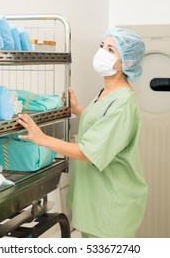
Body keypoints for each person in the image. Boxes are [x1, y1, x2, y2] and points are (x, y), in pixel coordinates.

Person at [17, 28, 148, 238]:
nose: (102, 53)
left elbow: (89, 152)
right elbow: (103, 126)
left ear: (126, 63)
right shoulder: (108, 92)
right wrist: (78, 110)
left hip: (111, 204)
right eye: (102, 46)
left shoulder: (123, 102)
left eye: (111, 50)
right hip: (95, 199)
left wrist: (41, 139)